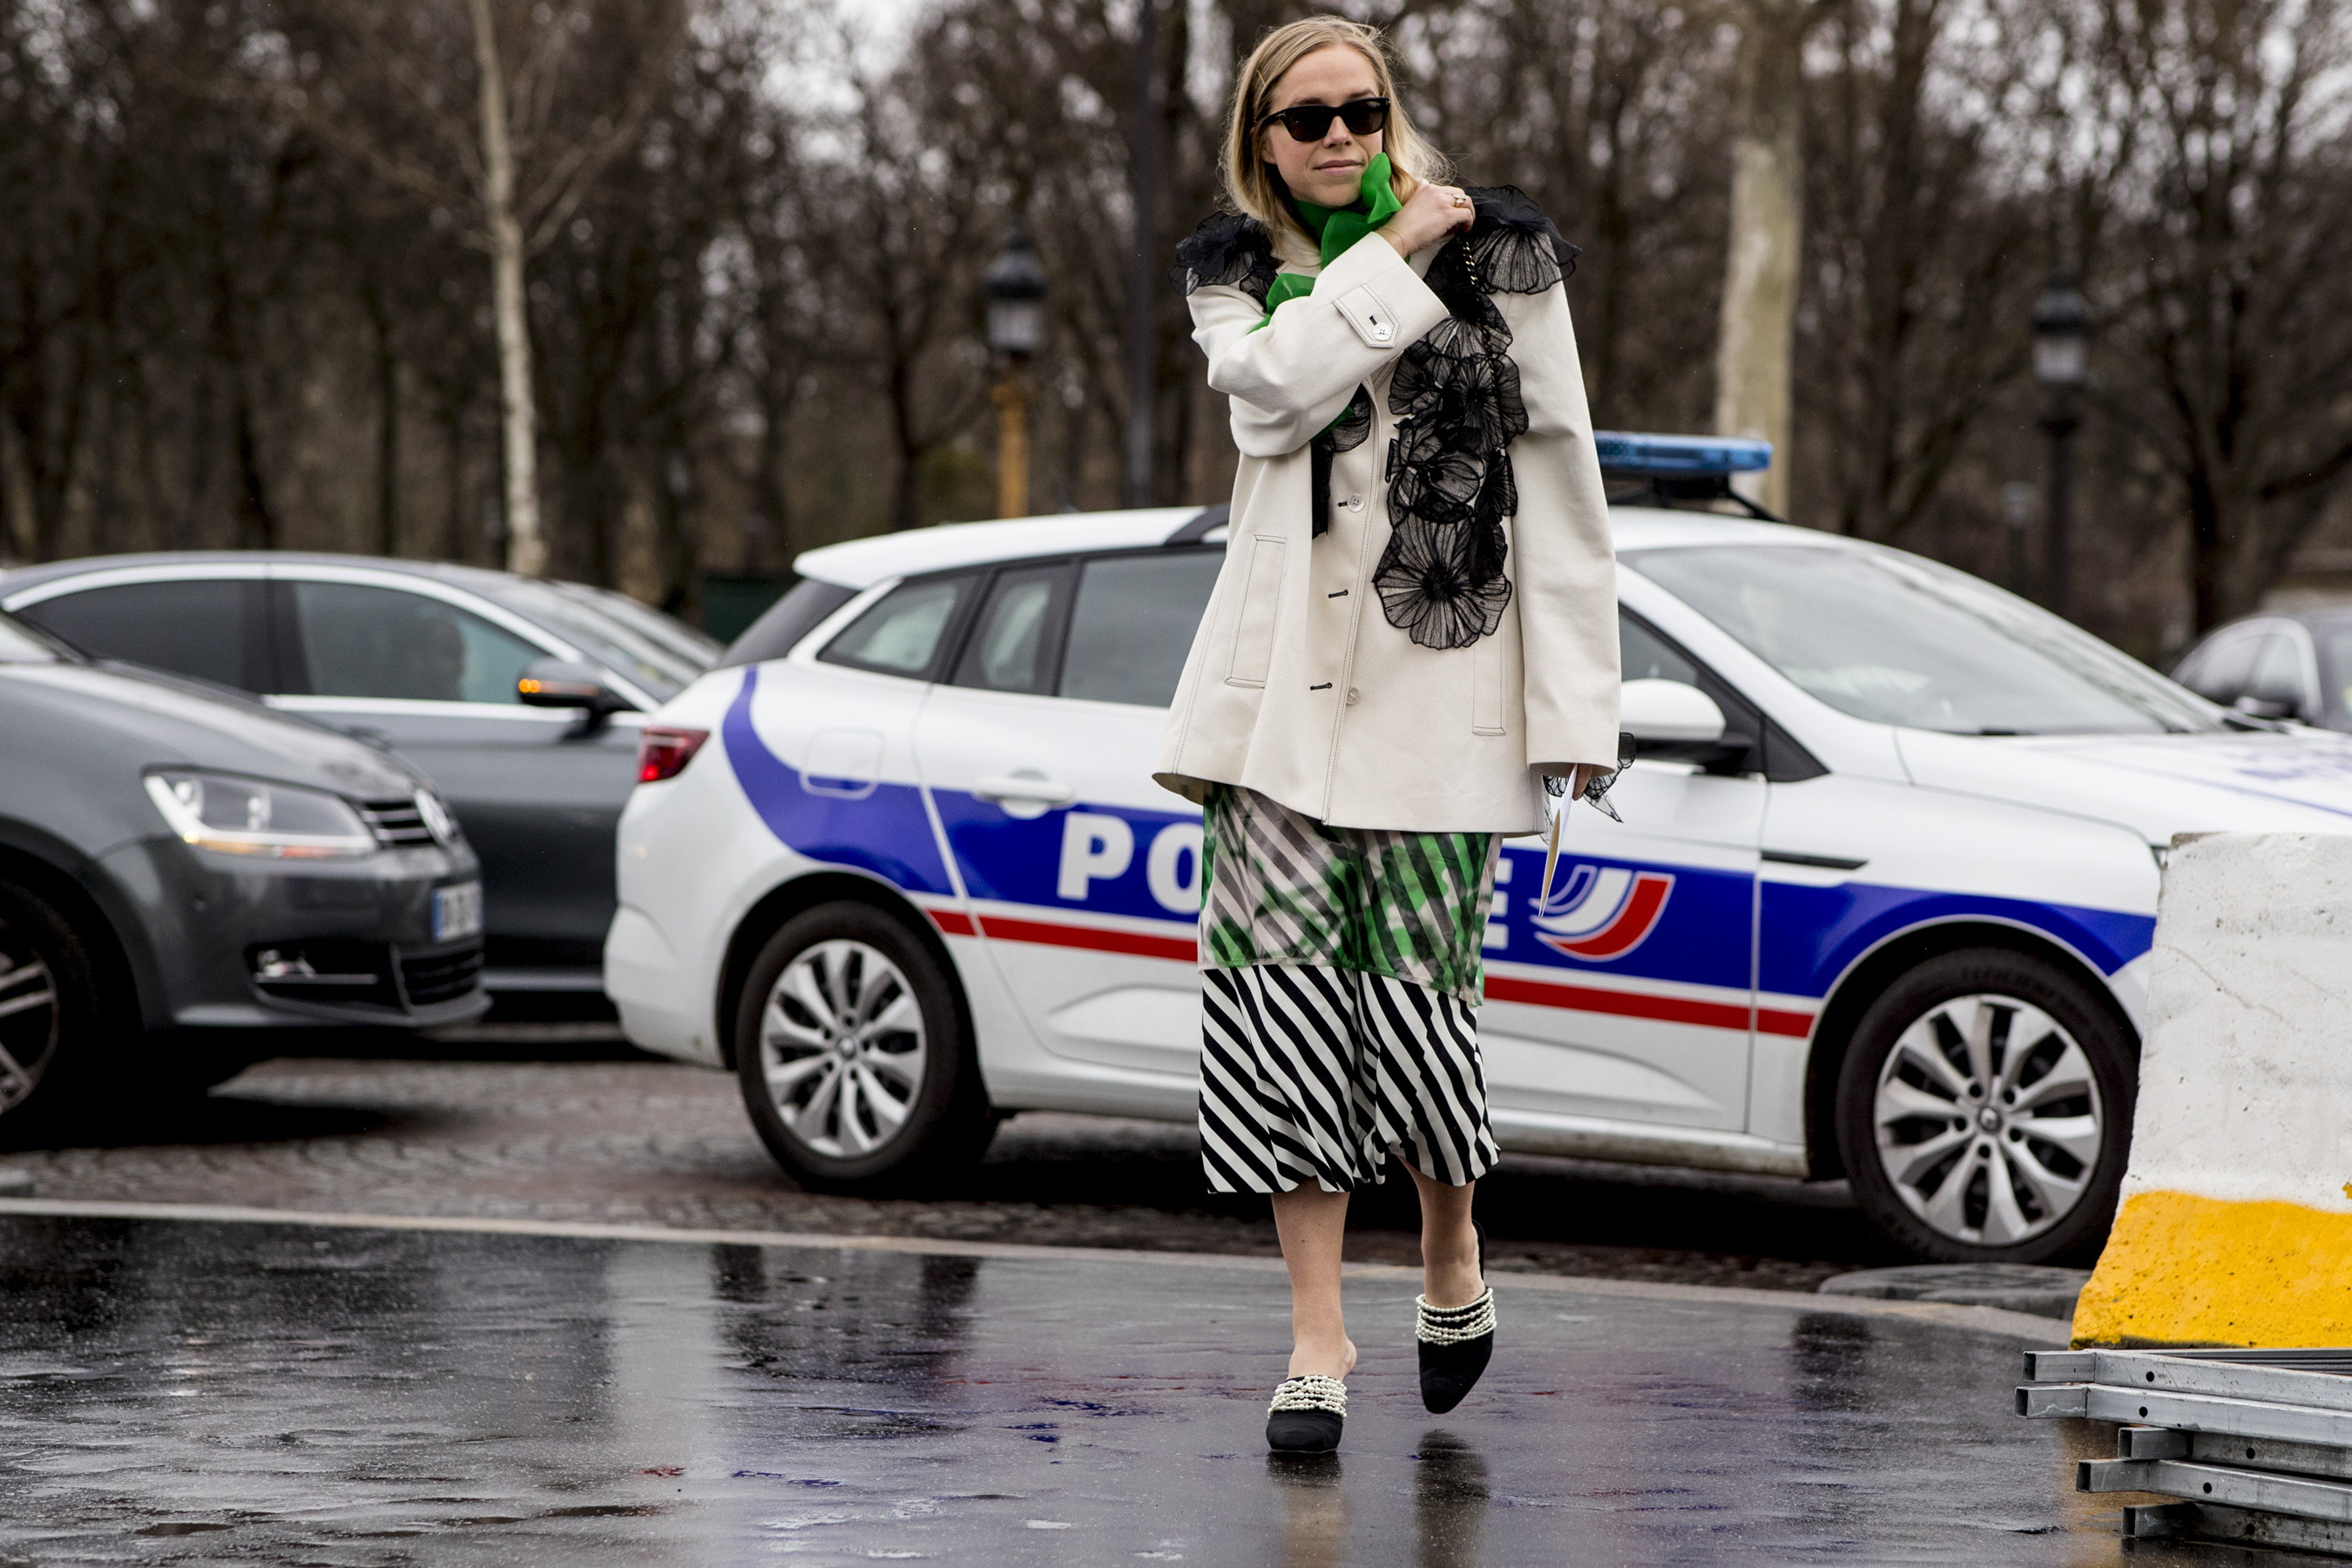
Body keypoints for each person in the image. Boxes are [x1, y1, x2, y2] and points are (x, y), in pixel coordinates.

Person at [1156, 15, 1621, 1455]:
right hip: (1275, 708)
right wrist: (1396, 247)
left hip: (1445, 690)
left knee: (1421, 1016)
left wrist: (1578, 711)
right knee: (1282, 1009)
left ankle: (1449, 1259)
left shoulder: (1507, 258)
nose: (1344, 135)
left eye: (1364, 109)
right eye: (1309, 120)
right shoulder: (1236, 282)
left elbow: (1560, 484)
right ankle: (1316, 1337)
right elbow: (1275, 399)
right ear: (1264, 146)